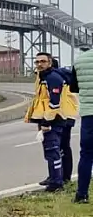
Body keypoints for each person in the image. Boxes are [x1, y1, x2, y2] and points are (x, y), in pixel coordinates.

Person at [26, 52, 78, 192]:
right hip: (53, 116)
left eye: (43, 62)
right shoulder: (41, 77)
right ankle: (56, 177)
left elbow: (54, 101)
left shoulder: (53, 78)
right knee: (55, 149)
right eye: (37, 62)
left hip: (61, 116)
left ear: (50, 63)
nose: (39, 65)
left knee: (60, 148)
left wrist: (47, 121)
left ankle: (60, 179)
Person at [72, 44, 93, 203]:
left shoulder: (79, 61)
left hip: (88, 115)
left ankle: (82, 194)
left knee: (86, 154)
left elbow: (74, 87)